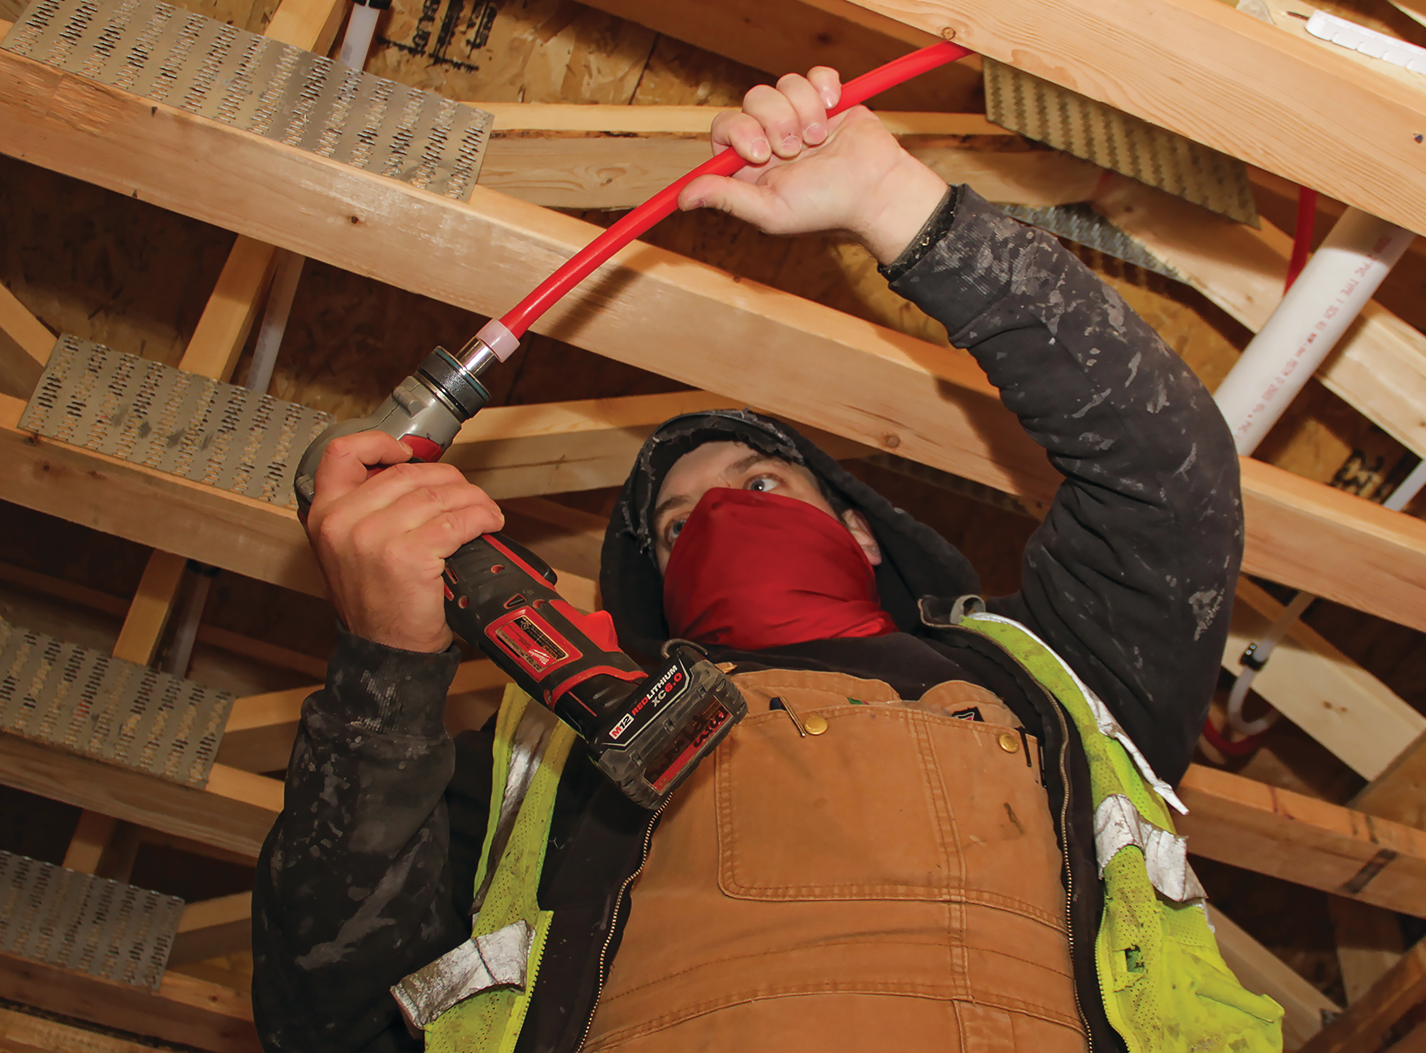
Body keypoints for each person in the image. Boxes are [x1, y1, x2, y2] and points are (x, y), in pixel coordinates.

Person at [252, 67, 1282, 1052]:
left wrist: (896, 204)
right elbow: (330, 1017)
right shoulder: (544, 768)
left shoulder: (1054, 675)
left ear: (862, 532)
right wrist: (384, 669)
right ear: (654, 594)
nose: (715, 525)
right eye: (675, 525)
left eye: (758, 485)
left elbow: (1167, 476)